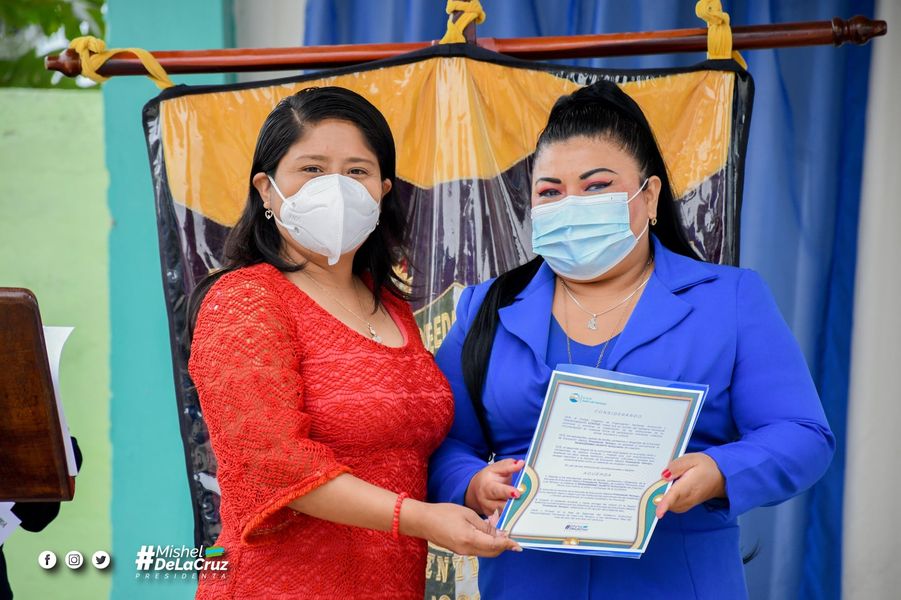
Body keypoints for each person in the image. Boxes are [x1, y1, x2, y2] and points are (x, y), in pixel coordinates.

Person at [427, 80, 835, 599]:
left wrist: (718, 471)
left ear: (650, 196)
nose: (571, 204)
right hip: (527, 582)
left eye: (596, 186)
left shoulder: (730, 299)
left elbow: (802, 435)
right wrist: (471, 483)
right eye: (550, 192)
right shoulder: (484, 307)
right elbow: (440, 443)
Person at [187, 86, 518, 600]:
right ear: (267, 189)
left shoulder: (390, 306)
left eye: (357, 171)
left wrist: (474, 485)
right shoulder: (245, 299)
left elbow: (404, 451)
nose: (335, 188)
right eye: (312, 169)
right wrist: (420, 518)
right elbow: (275, 463)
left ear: (383, 190)